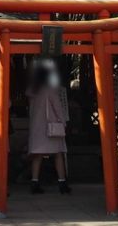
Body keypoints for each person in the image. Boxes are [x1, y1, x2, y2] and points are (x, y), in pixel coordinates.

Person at [26, 59, 70, 194]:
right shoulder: (49, 89)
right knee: (57, 154)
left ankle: (34, 182)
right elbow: (57, 107)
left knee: (37, 155)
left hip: (36, 126)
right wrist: (63, 122)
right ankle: (62, 183)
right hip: (50, 126)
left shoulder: (31, 90)